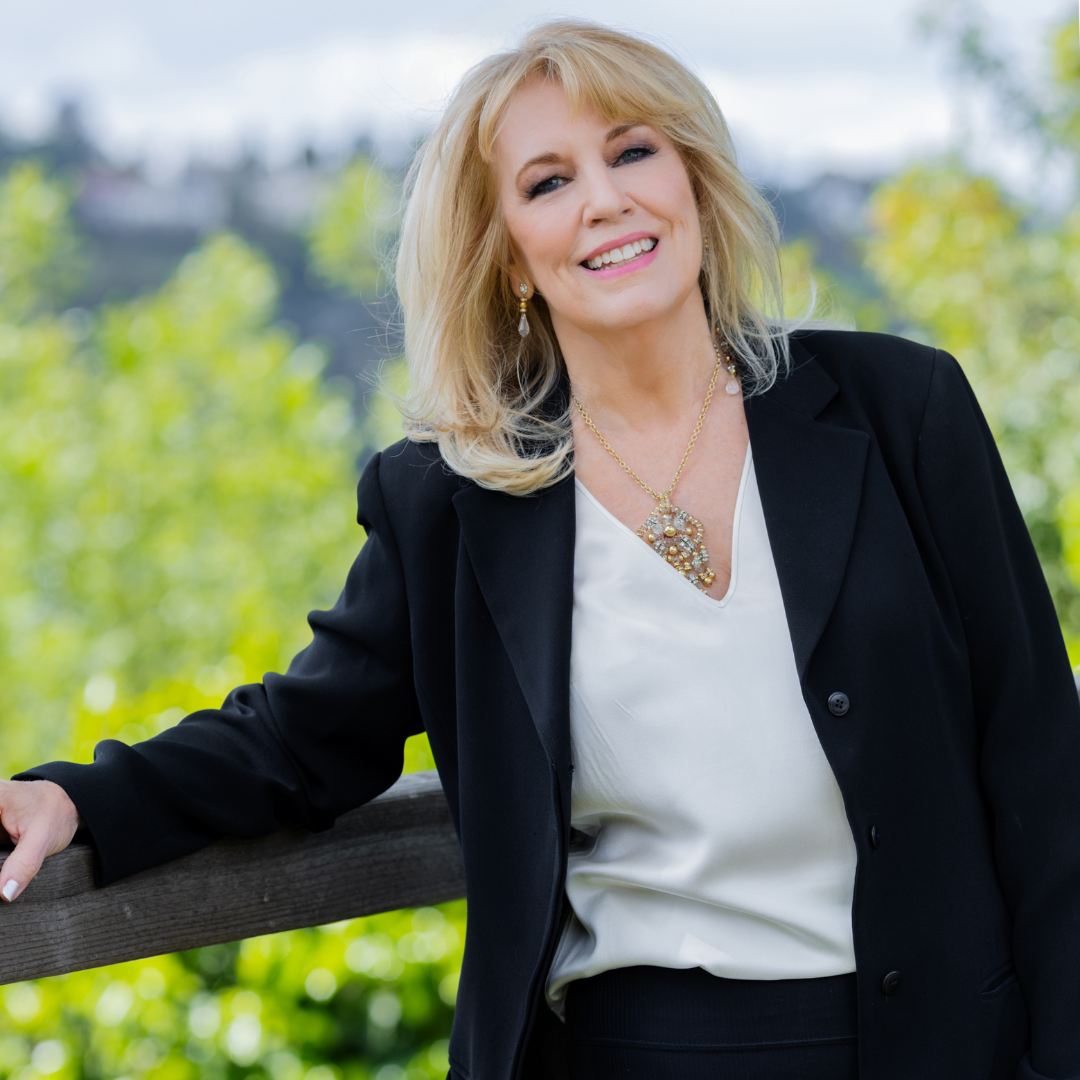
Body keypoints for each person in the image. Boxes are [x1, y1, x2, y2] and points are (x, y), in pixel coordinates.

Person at [1, 20, 1078, 1080]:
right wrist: (80, 800)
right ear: (512, 257)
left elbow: (1041, 762)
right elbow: (296, 739)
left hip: (942, 1042)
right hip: (632, 1051)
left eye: (632, 151)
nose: (604, 199)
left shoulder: (902, 409)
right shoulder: (454, 501)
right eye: (548, 182)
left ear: (694, 180)